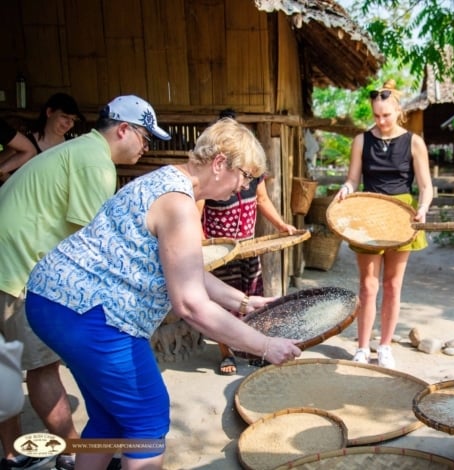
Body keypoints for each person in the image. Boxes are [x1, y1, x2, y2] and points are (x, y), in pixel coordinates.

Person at [24, 118, 301, 469]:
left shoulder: (165, 180)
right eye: (245, 176)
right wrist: (264, 345)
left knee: (110, 418)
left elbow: (187, 268)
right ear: (220, 163)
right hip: (89, 312)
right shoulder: (179, 205)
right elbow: (190, 304)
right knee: (147, 421)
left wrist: (244, 302)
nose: (244, 188)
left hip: (52, 299)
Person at [0, 94, 170, 470]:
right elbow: (99, 246)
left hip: (7, 263)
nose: (146, 147)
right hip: (19, 269)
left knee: (6, 366)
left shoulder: (80, 150)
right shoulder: (95, 161)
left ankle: (12, 454)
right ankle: (73, 452)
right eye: (145, 138)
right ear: (123, 129)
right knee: (42, 367)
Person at [334, 79, 433, 369]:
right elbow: (353, 179)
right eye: (376, 115)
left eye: (386, 115)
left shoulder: (414, 142)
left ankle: (386, 346)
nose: (381, 121)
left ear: (399, 111)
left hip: (401, 215)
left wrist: (423, 208)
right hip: (368, 213)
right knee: (368, 285)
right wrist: (346, 189)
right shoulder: (361, 141)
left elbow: (426, 186)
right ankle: (362, 347)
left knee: (392, 284)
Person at [201, 110, 297, 375]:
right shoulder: (213, 176)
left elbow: (262, 200)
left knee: (253, 295)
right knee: (222, 302)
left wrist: (281, 225)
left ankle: (256, 348)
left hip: (247, 245)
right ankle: (226, 353)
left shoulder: (252, 171)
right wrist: (206, 250)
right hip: (221, 251)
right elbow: (197, 215)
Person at [0, 93, 84, 176]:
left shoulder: (74, 145)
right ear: (49, 112)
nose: (69, 123)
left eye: (73, 119)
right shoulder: (23, 145)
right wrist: (14, 181)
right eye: (65, 117)